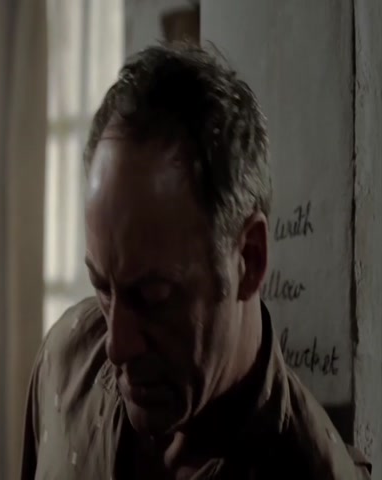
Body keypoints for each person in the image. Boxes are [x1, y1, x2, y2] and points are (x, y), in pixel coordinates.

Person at [20, 44, 372, 479]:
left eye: (153, 295)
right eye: (103, 288)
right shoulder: (64, 362)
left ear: (249, 258)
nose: (116, 345)